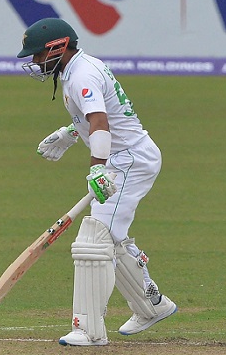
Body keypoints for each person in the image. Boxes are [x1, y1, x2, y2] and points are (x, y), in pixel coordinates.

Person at [17, 18, 176, 346]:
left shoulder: (82, 74)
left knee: (94, 239)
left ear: (59, 47)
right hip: (128, 156)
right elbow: (101, 117)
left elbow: (101, 121)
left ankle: (88, 329)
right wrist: (71, 133)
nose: (34, 62)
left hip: (129, 159)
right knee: (110, 238)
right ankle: (151, 305)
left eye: (37, 55)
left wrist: (97, 169)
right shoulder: (77, 70)